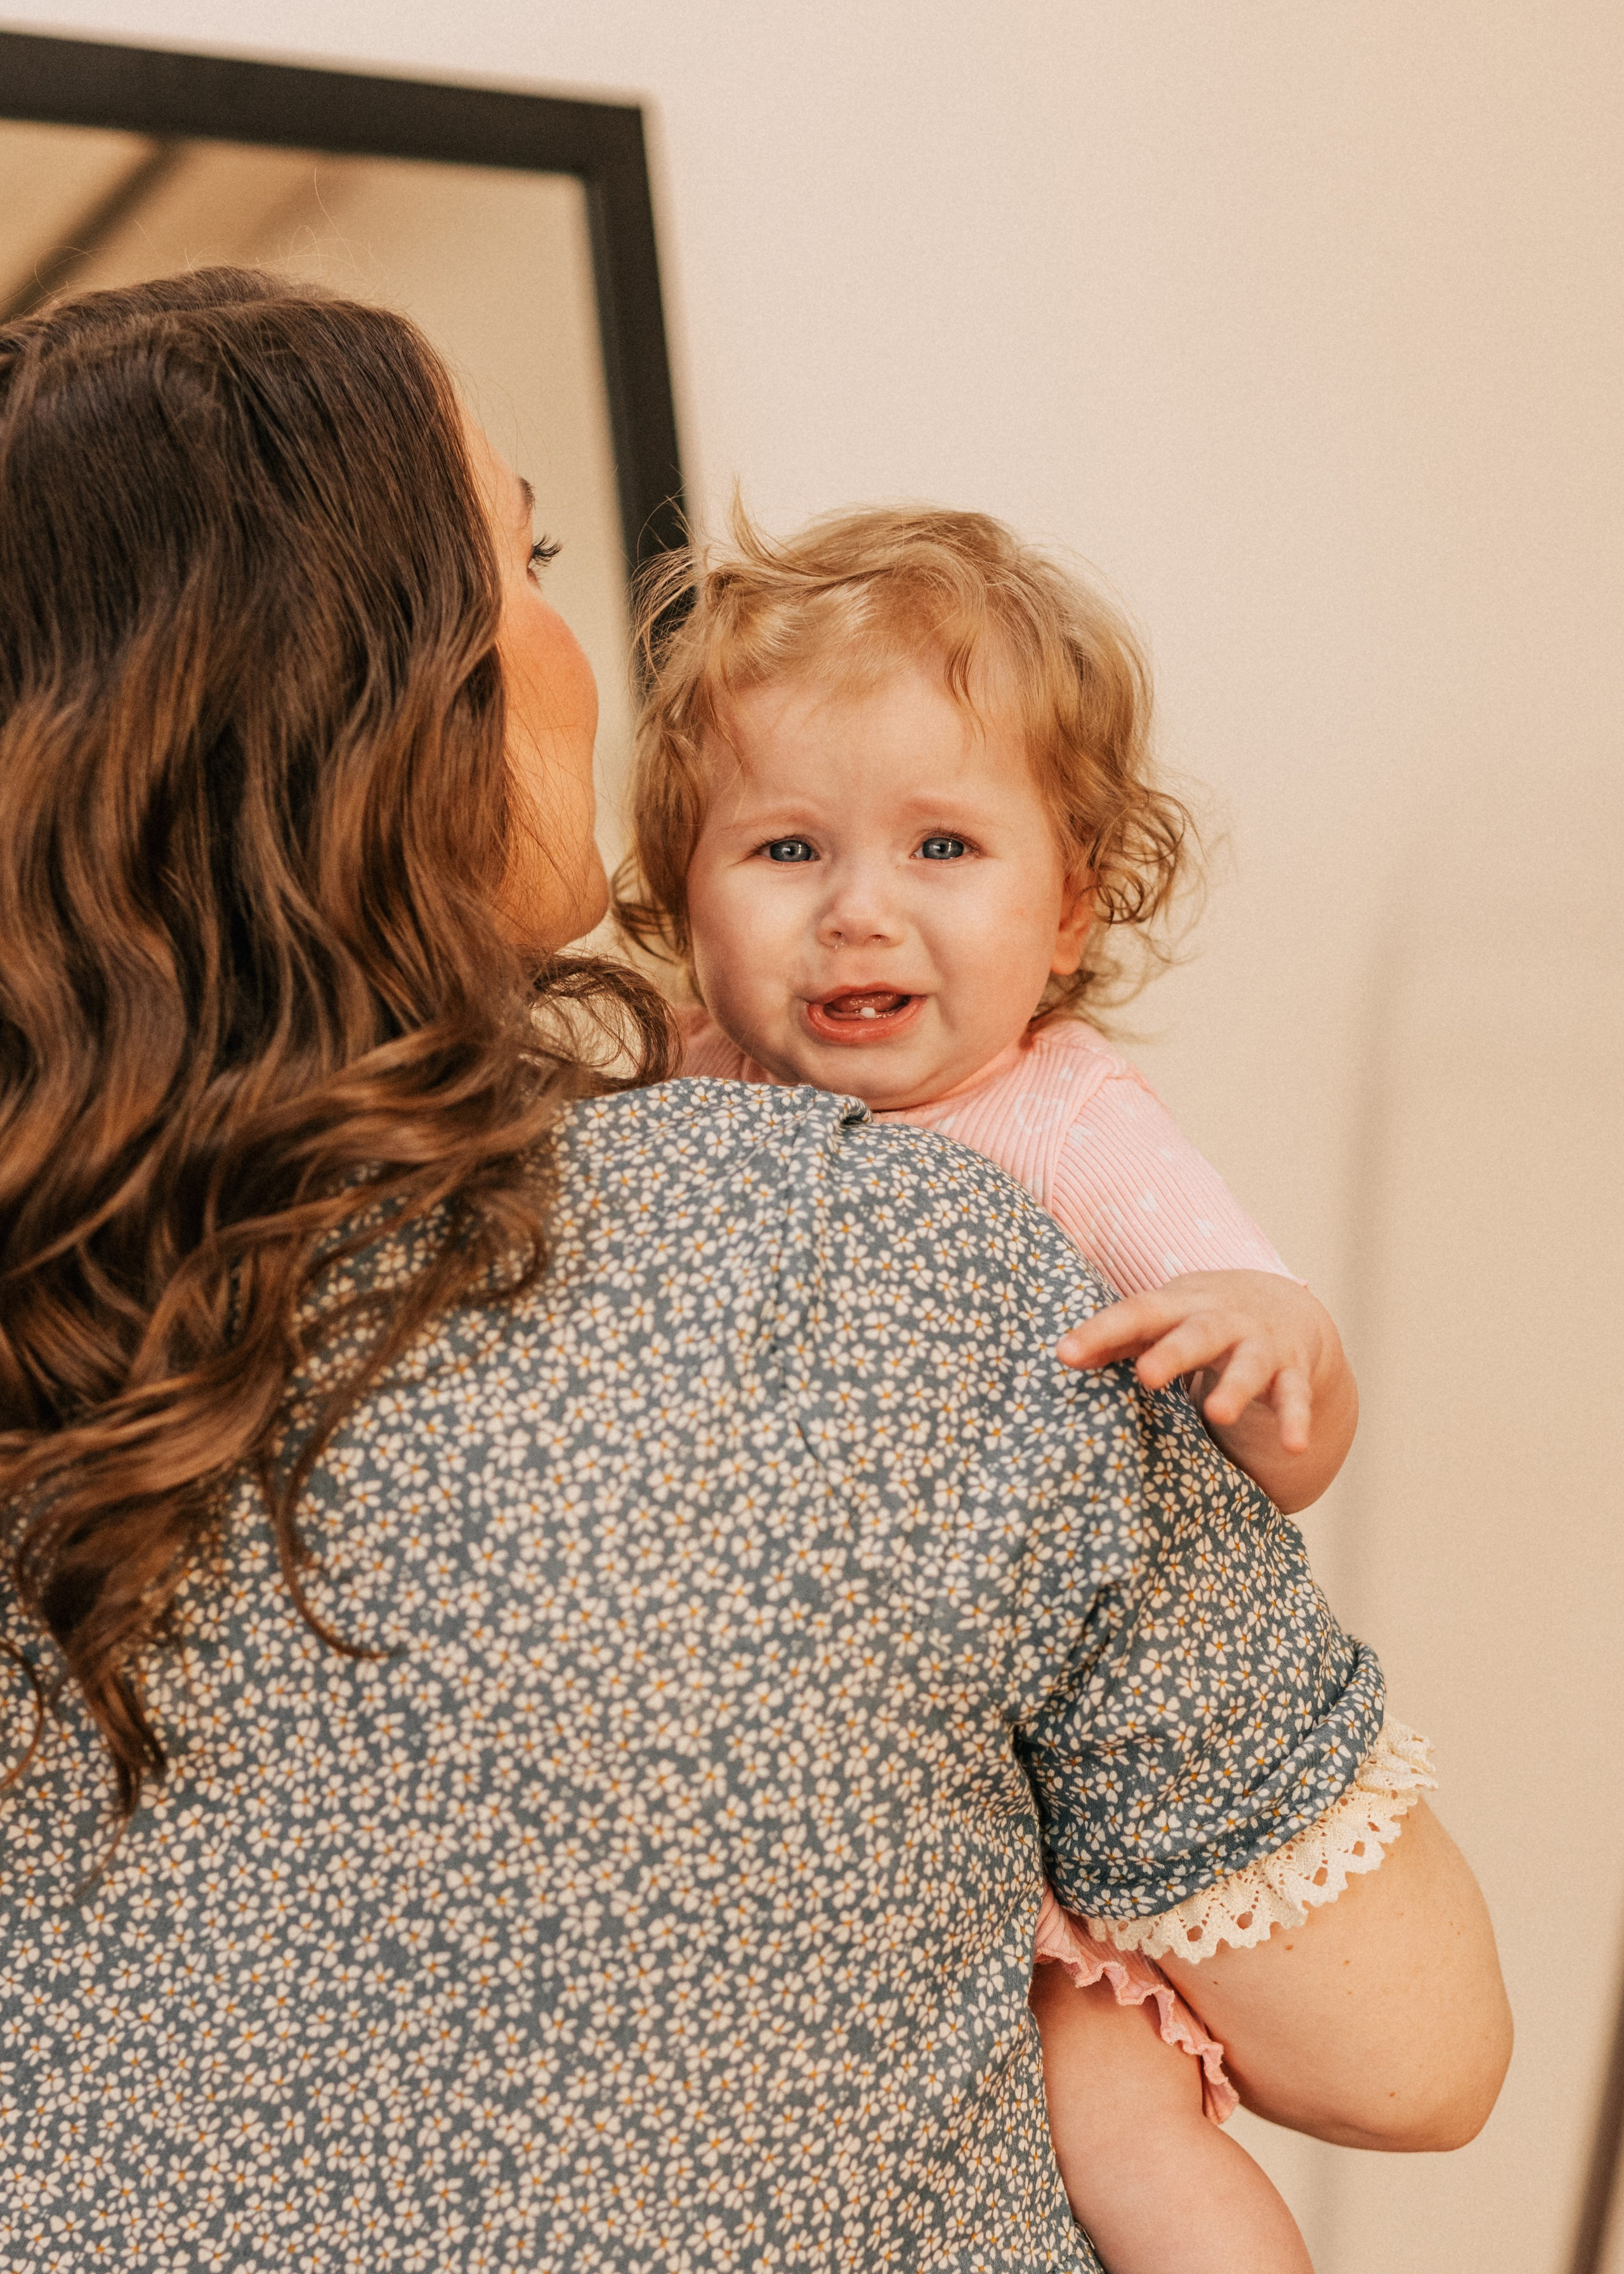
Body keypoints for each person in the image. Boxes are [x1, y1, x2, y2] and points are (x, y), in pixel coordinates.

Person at [0, 272, 1509, 2274]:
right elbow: (1413, 2055)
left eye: (944, 850)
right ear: (397, 686)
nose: (570, 644)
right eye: (521, 557)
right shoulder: (872, 1261)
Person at [613, 504, 1486, 2270]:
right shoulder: (665, 1096)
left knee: (1123, 2139)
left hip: (1065, 1830)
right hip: (841, 1811)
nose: (862, 912)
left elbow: (1281, 1401)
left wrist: (1264, 1352)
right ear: (679, 895)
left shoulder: (1067, 1121)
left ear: (1070, 905)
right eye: (786, 850)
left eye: (944, 846)